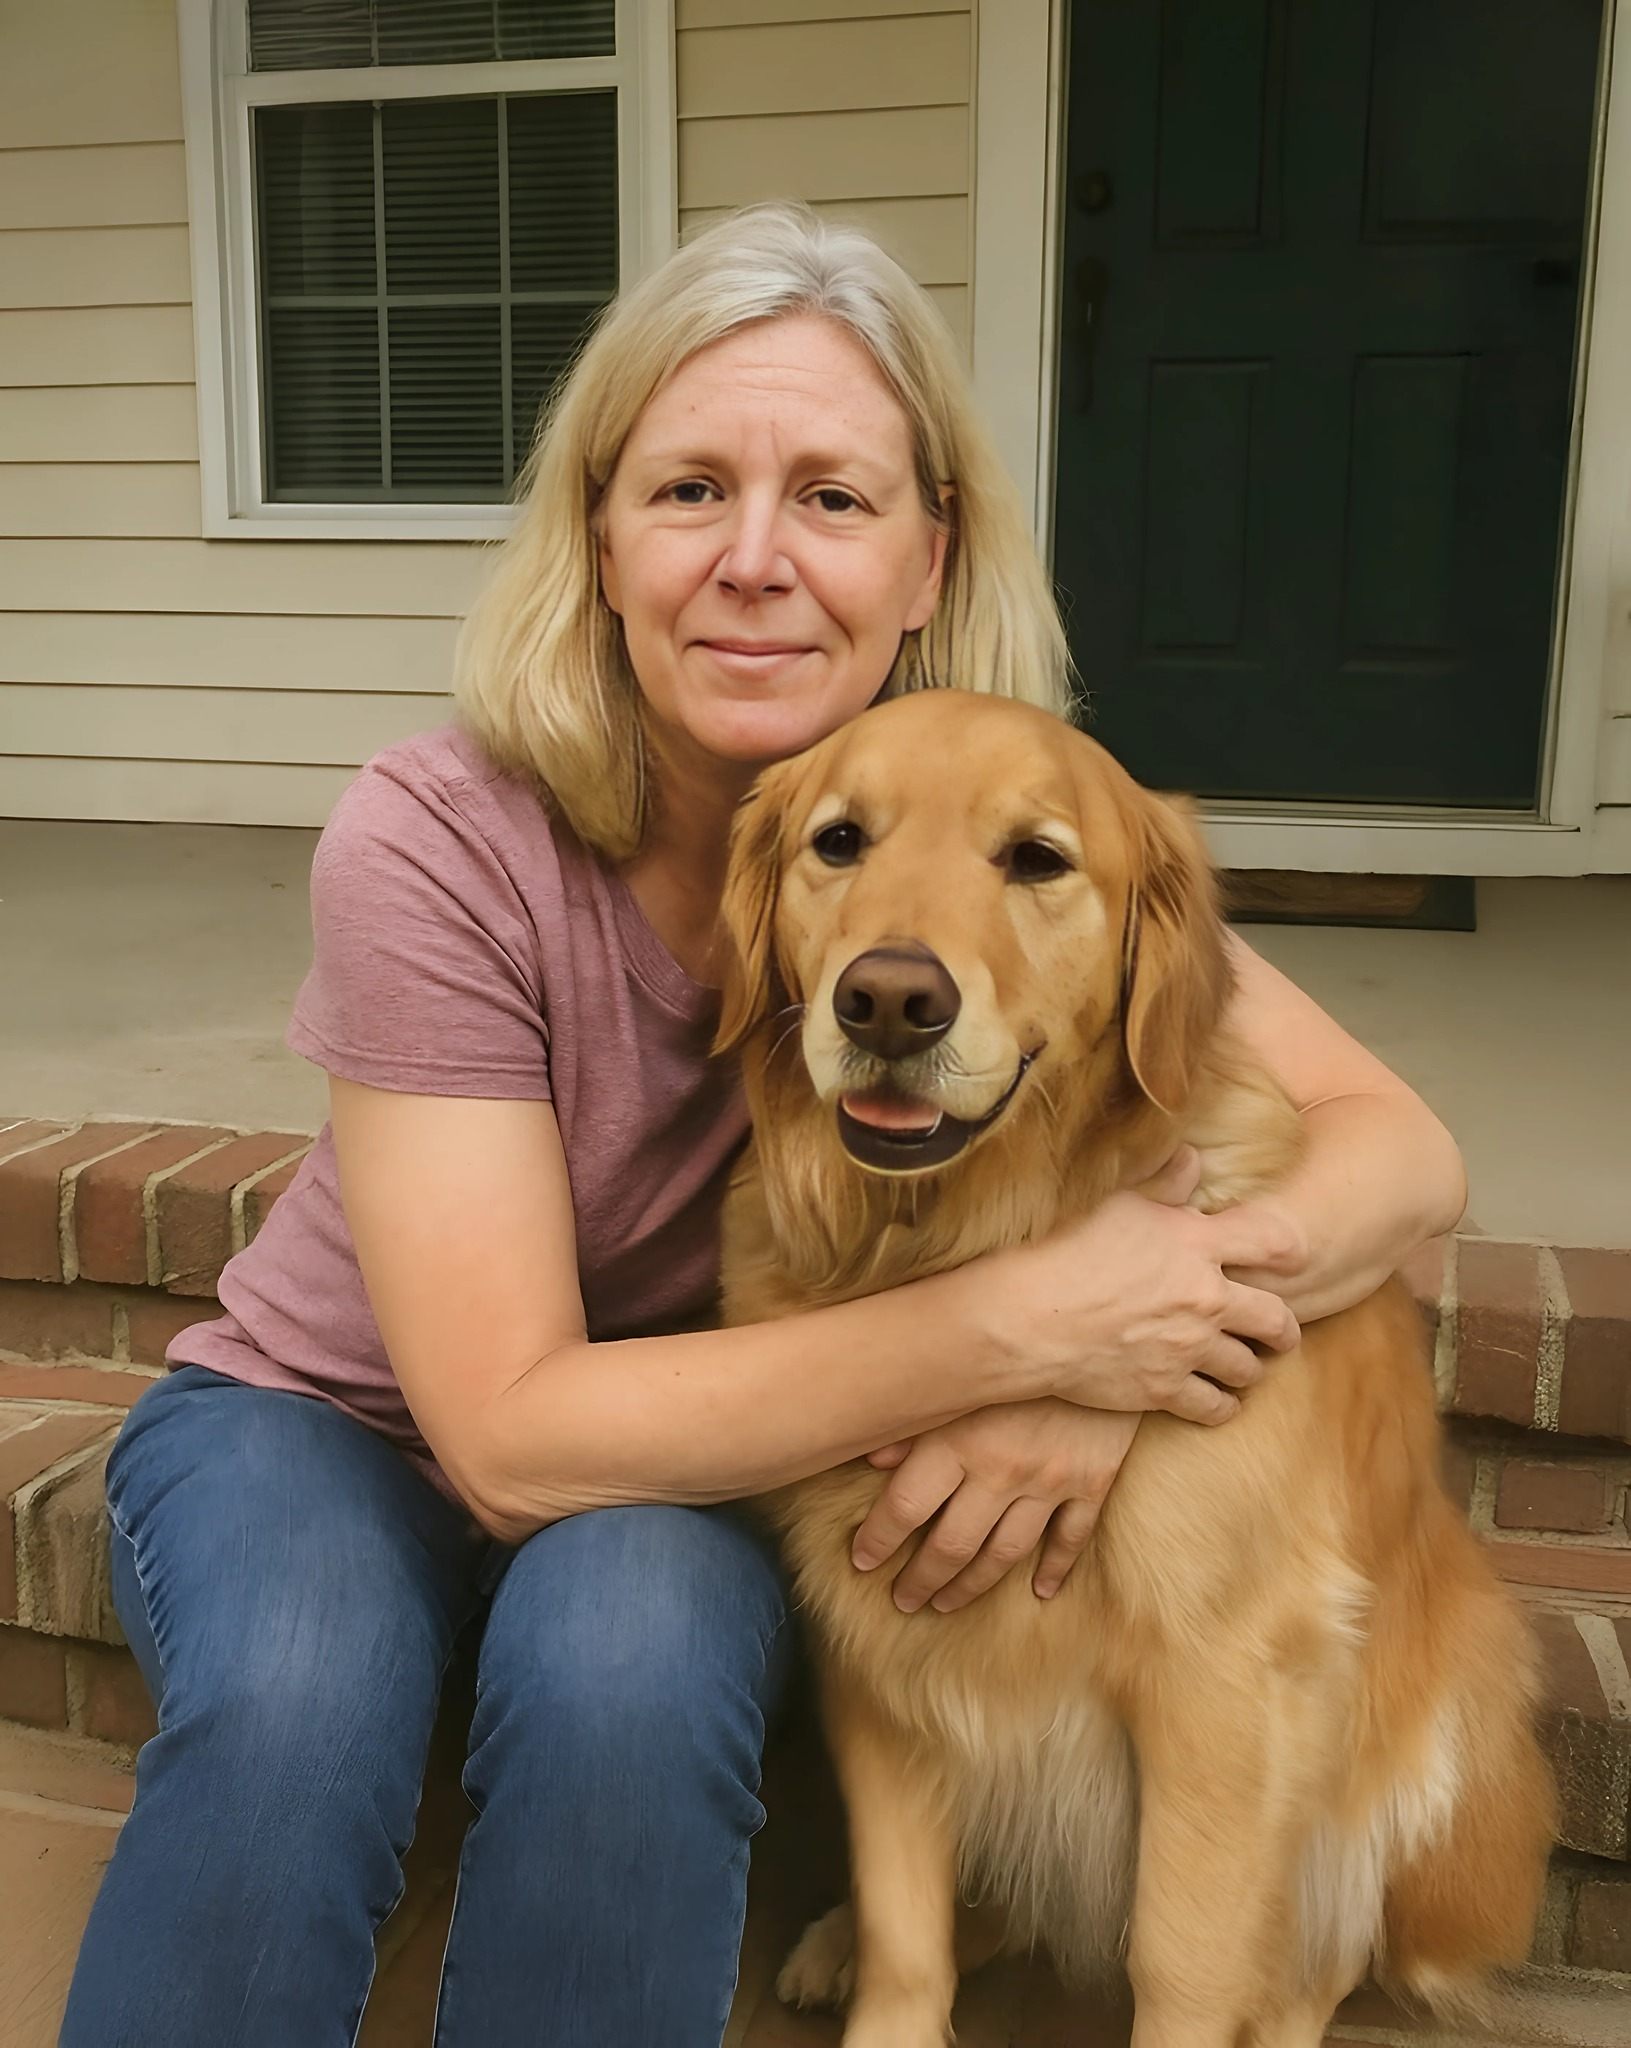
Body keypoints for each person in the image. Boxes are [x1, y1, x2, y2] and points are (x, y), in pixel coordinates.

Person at [61, 204, 1465, 2048]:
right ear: (601, 538)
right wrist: (1032, 1335)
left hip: (695, 1455)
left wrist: (1143, 1333)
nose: (753, 560)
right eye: (688, 490)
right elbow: (508, 1433)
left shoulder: (988, 816)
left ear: (926, 555)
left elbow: (1403, 1152)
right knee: (299, 1688)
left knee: (634, 1668)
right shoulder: (436, 840)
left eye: (831, 498)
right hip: (337, 1421)